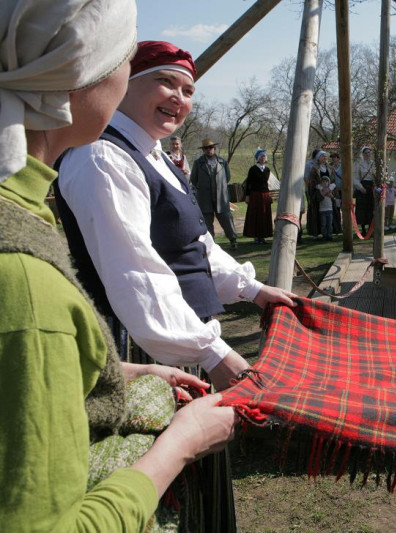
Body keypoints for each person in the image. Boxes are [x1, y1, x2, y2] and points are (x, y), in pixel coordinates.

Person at [0, 2, 236, 530]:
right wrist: (179, 445)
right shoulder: (24, 274)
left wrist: (119, 372)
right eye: (123, 62)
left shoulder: (25, 211)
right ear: (79, 77)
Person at [189, 138, 238, 250]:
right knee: (207, 222)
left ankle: (233, 240)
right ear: (203, 150)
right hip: (204, 197)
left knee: (226, 219)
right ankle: (210, 244)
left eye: (210, 147)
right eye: (206, 148)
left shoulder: (222, 162)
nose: (208, 150)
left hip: (221, 197)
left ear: (214, 148)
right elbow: (194, 179)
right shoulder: (198, 163)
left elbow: (227, 177)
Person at [243, 148, 274, 244]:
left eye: (264, 156)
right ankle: (256, 237)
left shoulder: (267, 170)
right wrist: (247, 196)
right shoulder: (253, 169)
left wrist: (269, 195)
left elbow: (266, 183)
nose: (263, 158)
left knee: (264, 215)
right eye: (261, 156)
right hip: (255, 195)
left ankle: (263, 237)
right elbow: (248, 183)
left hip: (265, 195)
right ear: (258, 158)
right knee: (256, 215)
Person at [355, 145, 376, 235]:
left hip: (371, 187)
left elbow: (375, 176)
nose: (368, 154)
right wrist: (360, 187)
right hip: (363, 187)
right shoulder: (359, 164)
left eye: (369, 153)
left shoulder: (374, 163)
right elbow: (355, 178)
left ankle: (370, 229)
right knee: (362, 209)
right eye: (366, 153)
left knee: (371, 208)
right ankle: (363, 229)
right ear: (363, 154)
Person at [315, 175, 336, 241]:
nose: (325, 183)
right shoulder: (319, 189)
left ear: (328, 182)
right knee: (323, 224)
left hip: (329, 209)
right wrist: (324, 192)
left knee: (329, 224)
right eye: (323, 181)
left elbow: (333, 197)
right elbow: (319, 196)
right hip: (322, 210)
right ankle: (324, 236)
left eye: (326, 181)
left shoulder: (331, 189)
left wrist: (328, 193)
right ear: (321, 183)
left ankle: (329, 236)